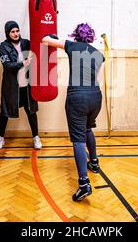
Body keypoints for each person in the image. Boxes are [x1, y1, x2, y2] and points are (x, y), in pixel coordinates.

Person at [41, 23, 105, 202]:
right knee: (87, 129)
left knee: (78, 139)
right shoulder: (99, 55)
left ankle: (84, 183)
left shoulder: (72, 45)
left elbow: (45, 40)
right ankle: (94, 163)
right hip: (95, 97)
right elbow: (99, 80)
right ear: (91, 37)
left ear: (76, 35)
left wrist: (50, 35)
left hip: (77, 97)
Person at [0, 21, 42, 150]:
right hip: (12, 87)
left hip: (27, 86)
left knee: (31, 111)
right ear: (8, 33)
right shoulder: (4, 47)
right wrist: (23, 63)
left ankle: (36, 137)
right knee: (4, 112)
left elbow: (39, 48)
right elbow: (7, 65)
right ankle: (0, 137)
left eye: (17, 31)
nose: (16, 34)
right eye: (12, 32)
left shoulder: (26, 43)